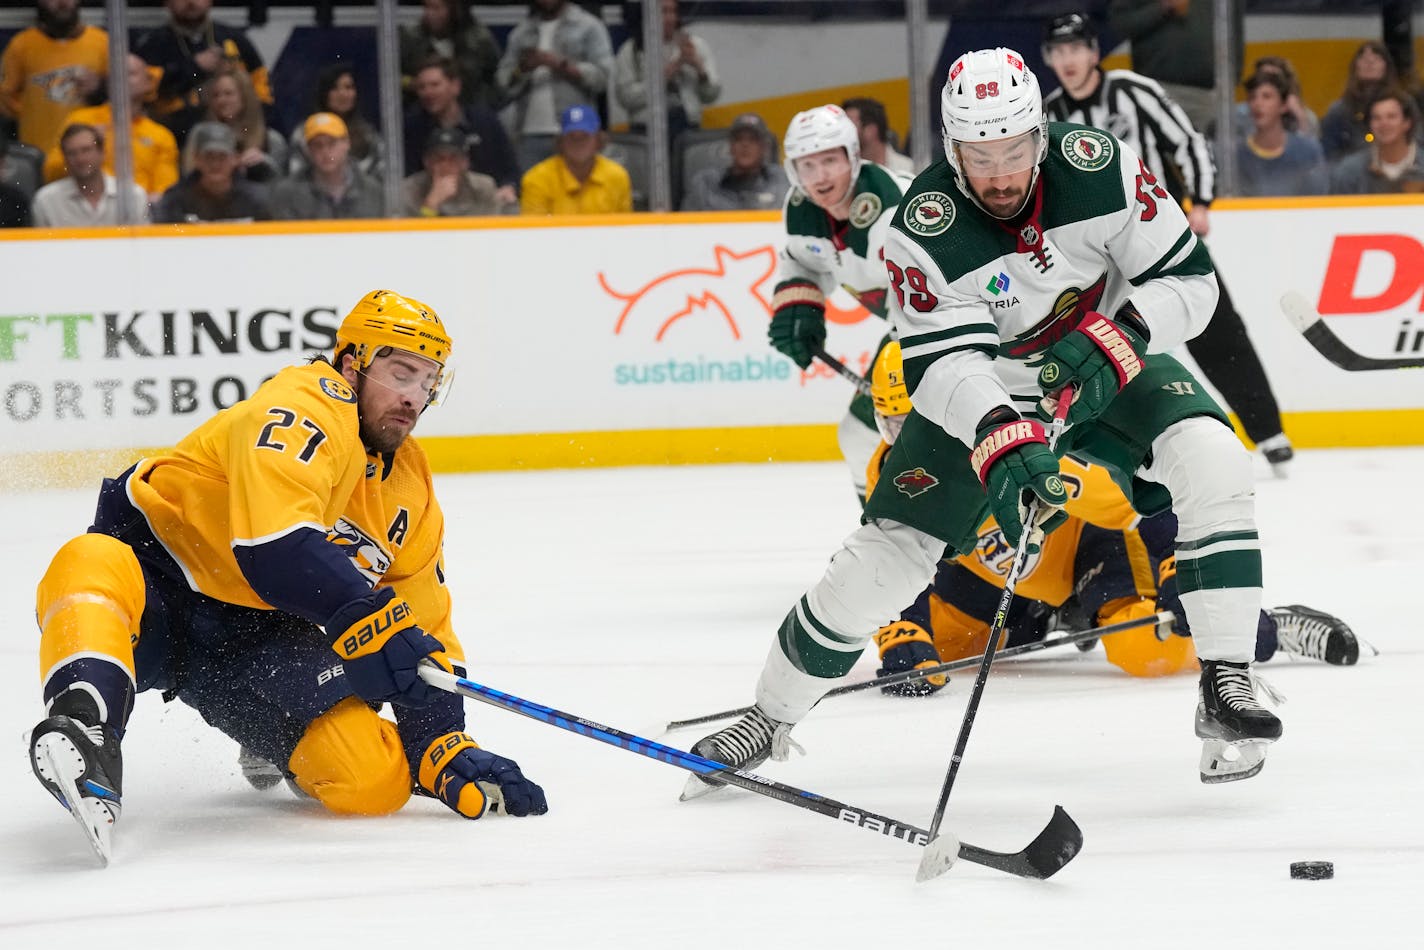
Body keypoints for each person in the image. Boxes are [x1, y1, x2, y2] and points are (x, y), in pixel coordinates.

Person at [687, 48, 1283, 793]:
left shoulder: (1101, 166)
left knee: (1214, 457)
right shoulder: (922, 225)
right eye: (979, 155)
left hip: (1104, 358)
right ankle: (769, 719)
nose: (999, 174)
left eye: (1013, 150)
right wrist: (1002, 436)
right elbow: (940, 366)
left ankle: (1226, 682)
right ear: (949, 147)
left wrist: (1126, 330)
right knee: (886, 557)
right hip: (989, 384)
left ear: (1040, 132)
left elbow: (1190, 283)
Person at [28, 289, 549, 865]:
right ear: (353, 363)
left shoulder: (409, 488)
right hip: (157, 586)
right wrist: (366, 617)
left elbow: (424, 621)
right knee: (88, 561)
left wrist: (441, 743)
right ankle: (88, 728)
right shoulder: (307, 403)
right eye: (401, 373)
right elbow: (274, 547)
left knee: (372, 784)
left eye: (429, 382)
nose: (413, 397)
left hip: (258, 638)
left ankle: (270, 738)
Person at [861, 343, 1361, 695]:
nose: (909, 440)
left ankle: (1263, 627)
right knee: (936, 649)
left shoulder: (1032, 451)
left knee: (1146, 650)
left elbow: (1146, 499)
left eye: (918, 422)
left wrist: (1176, 567)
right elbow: (895, 556)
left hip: (1085, 552)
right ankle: (1039, 621)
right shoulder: (892, 467)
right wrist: (900, 627)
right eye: (895, 424)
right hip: (1002, 580)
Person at [1041, 13, 1294, 473]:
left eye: (1076, 48)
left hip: (1160, 238)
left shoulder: (1133, 91)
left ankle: (1269, 432)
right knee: (1105, 341)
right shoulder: (1050, 114)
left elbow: (1188, 141)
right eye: (1058, 52)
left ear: (1094, 52)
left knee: (1217, 329)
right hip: (1095, 257)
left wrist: (1199, 200)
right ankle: (1111, 452)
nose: (1068, 60)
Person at [767, 103, 914, 503]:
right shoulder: (803, 212)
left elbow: (947, 286)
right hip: (908, 332)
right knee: (861, 435)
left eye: (830, 161)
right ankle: (886, 536)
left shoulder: (895, 207)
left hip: (958, 329)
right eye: (807, 166)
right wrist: (800, 304)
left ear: (853, 157)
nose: (820, 177)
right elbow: (804, 261)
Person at [39, 53, 180, 204]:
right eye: (115, 75)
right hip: (83, 205)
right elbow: (51, 172)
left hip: (140, 213)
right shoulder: (80, 120)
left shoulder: (160, 135)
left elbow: (166, 193)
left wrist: (137, 203)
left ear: (148, 83)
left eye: (130, 73)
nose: (121, 79)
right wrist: (84, 147)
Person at [496, 0, 615, 173]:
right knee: (532, 194)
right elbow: (502, 83)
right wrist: (522, 69)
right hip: (528, 135)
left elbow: (604, 76)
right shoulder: (521, 33)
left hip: (575, 132)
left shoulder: (589, 26)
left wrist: (561, 65)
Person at [1106, 0, 1241, 134]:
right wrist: (1163, 7)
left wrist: (1232, 78)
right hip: (1158, 90)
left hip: (1208, 94)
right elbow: (1121, 25)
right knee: (1158, 152)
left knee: (1209, 152)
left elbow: (1234, 28)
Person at [135, 0, 273, 126]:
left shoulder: (233, 38)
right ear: (167, 3)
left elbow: (262, 90)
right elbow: (146, 92)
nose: (191, 2)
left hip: (233, 128)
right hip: (173, 130)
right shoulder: (153, 44)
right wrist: (194, 67)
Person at [403, 56, 518, 205]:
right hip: (432, 208)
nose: (428, 92)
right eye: (422, 87)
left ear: (455, 86)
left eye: (434, 85)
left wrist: (509, 187)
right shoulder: (412, 127)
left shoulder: (484, 121)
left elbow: (510, 169)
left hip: (484, 205)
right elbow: (408, 178)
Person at [0, 0, 108, 154]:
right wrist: (32, 109)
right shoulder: (21, 45)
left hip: (88, 157)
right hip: (39, 155)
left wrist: (100, 90)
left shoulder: (102, 43)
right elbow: (5, 99)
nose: (62, 2)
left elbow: (123, 102)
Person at [613, 0, 720, 142]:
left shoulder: (696, 46)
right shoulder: (631, 50)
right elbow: (626, 98)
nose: (670, 18)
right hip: (645, 131)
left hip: (688, 129)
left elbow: (711, 96)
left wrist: (699, 67)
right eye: (663, 12)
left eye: (673, 11)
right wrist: (673, 68)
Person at [178, 67, 287, 184]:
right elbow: (188, 178)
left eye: (228, 94)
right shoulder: (199, 136)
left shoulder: (271, 140)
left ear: (245, 97)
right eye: (216, 95)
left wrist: (265, 163)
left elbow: (283, 187)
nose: (221, 100)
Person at [520, 104, 632, 215]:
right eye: (571, 137)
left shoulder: (617, 177)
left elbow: (625, 228)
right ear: (561, 142)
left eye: (584, 136)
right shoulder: (537, 179)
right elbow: (534, 230)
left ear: (598, 141)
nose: (578, 143)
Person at [152, 121, 272, 223]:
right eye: (209, 157)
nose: (215, 164)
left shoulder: (257, 199)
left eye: (222, 157)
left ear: (235, 159)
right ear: (197, 159)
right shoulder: (176, 199)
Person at [32, 123, 150, 227]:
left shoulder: (133, 195)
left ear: (102, 152)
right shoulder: (46, 200)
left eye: (86, 150)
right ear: (65, 159)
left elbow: (144, 245)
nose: (80, 159)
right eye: (72, 153)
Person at [272, 113, 384, 220]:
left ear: (347, 143)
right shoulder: (287, 194)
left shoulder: (373, 192)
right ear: (308, 150)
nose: (325, 152)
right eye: (317, 145)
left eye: (332, 143)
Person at [1234, 71, 1328, 198]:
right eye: (1252, 97)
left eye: (1266, 96)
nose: (1258, 104)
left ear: (1283, 105)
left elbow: (1317, 200)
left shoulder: (1308, 151)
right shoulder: (1236, 155)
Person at [288, 64, 385, 180]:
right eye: (334, 88)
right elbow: (296, 179)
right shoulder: (303, 134)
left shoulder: (369, 135)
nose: (343, 94)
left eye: (348, 87)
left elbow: (382, 178)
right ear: (324, 93)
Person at [399, 0, 501, 110]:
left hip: (470, 111)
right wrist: (411, 83)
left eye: (436, 8)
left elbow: (495, 78)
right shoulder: (411, 38)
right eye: (426, 7)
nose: (429, 14)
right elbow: (394, 76)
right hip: (421, 112)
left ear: (455, 10)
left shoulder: (479, 40)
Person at [679, 112, 787, 212]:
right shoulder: (705, 185)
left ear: (764, 147)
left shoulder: (781, 183)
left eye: (753, 139)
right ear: (731, 146)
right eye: (739, 139)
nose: (745, 145)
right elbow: (683, 227)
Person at [1320, 41, 1405, 166]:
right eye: (1364, 59)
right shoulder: (1339, 111)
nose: (1370, 63)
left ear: (1386, 66)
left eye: (1376, 58)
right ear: (1356, 67)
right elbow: (1328, 154)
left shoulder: (1404, 105)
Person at [1329, 90, 1424, 194]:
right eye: (1376, 118)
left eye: (1391, 117)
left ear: (1407, 123)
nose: (1384, 124)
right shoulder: (1349, 172)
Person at [403, 126, 501, 217]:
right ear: (426, 162)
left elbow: (491, 230)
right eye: (438, 158)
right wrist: (431, 203)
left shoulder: (483, 187)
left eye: (453, 158)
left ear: (465, 162)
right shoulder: (410, 189)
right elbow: (410, 234)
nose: (445, 165)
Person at [1230, 56, 1319, 142]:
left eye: (1274, 80)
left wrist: (1300, 116)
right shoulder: (1238, 114)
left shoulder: (1304, 116)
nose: (1267, 83)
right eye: (1263, 77)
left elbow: (1311, 148)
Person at [842, 97, 916, 176]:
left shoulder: (909, 169)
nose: (843, 131)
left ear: (871, 129)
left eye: (849, 125)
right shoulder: (845, 174)